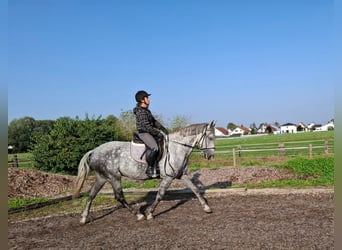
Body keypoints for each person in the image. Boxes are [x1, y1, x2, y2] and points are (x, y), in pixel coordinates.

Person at [133, 90, 169, 178]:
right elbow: (146, 126)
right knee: (154, 147)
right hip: (144, 133)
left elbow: (154, 122)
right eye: (147, 98)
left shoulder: (146, 111)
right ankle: (149, 168)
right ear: (142, 100)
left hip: (149, 132)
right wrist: (157, 133)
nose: (149, 99)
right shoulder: (140, 111)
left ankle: (158, 165)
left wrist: (162, 128)